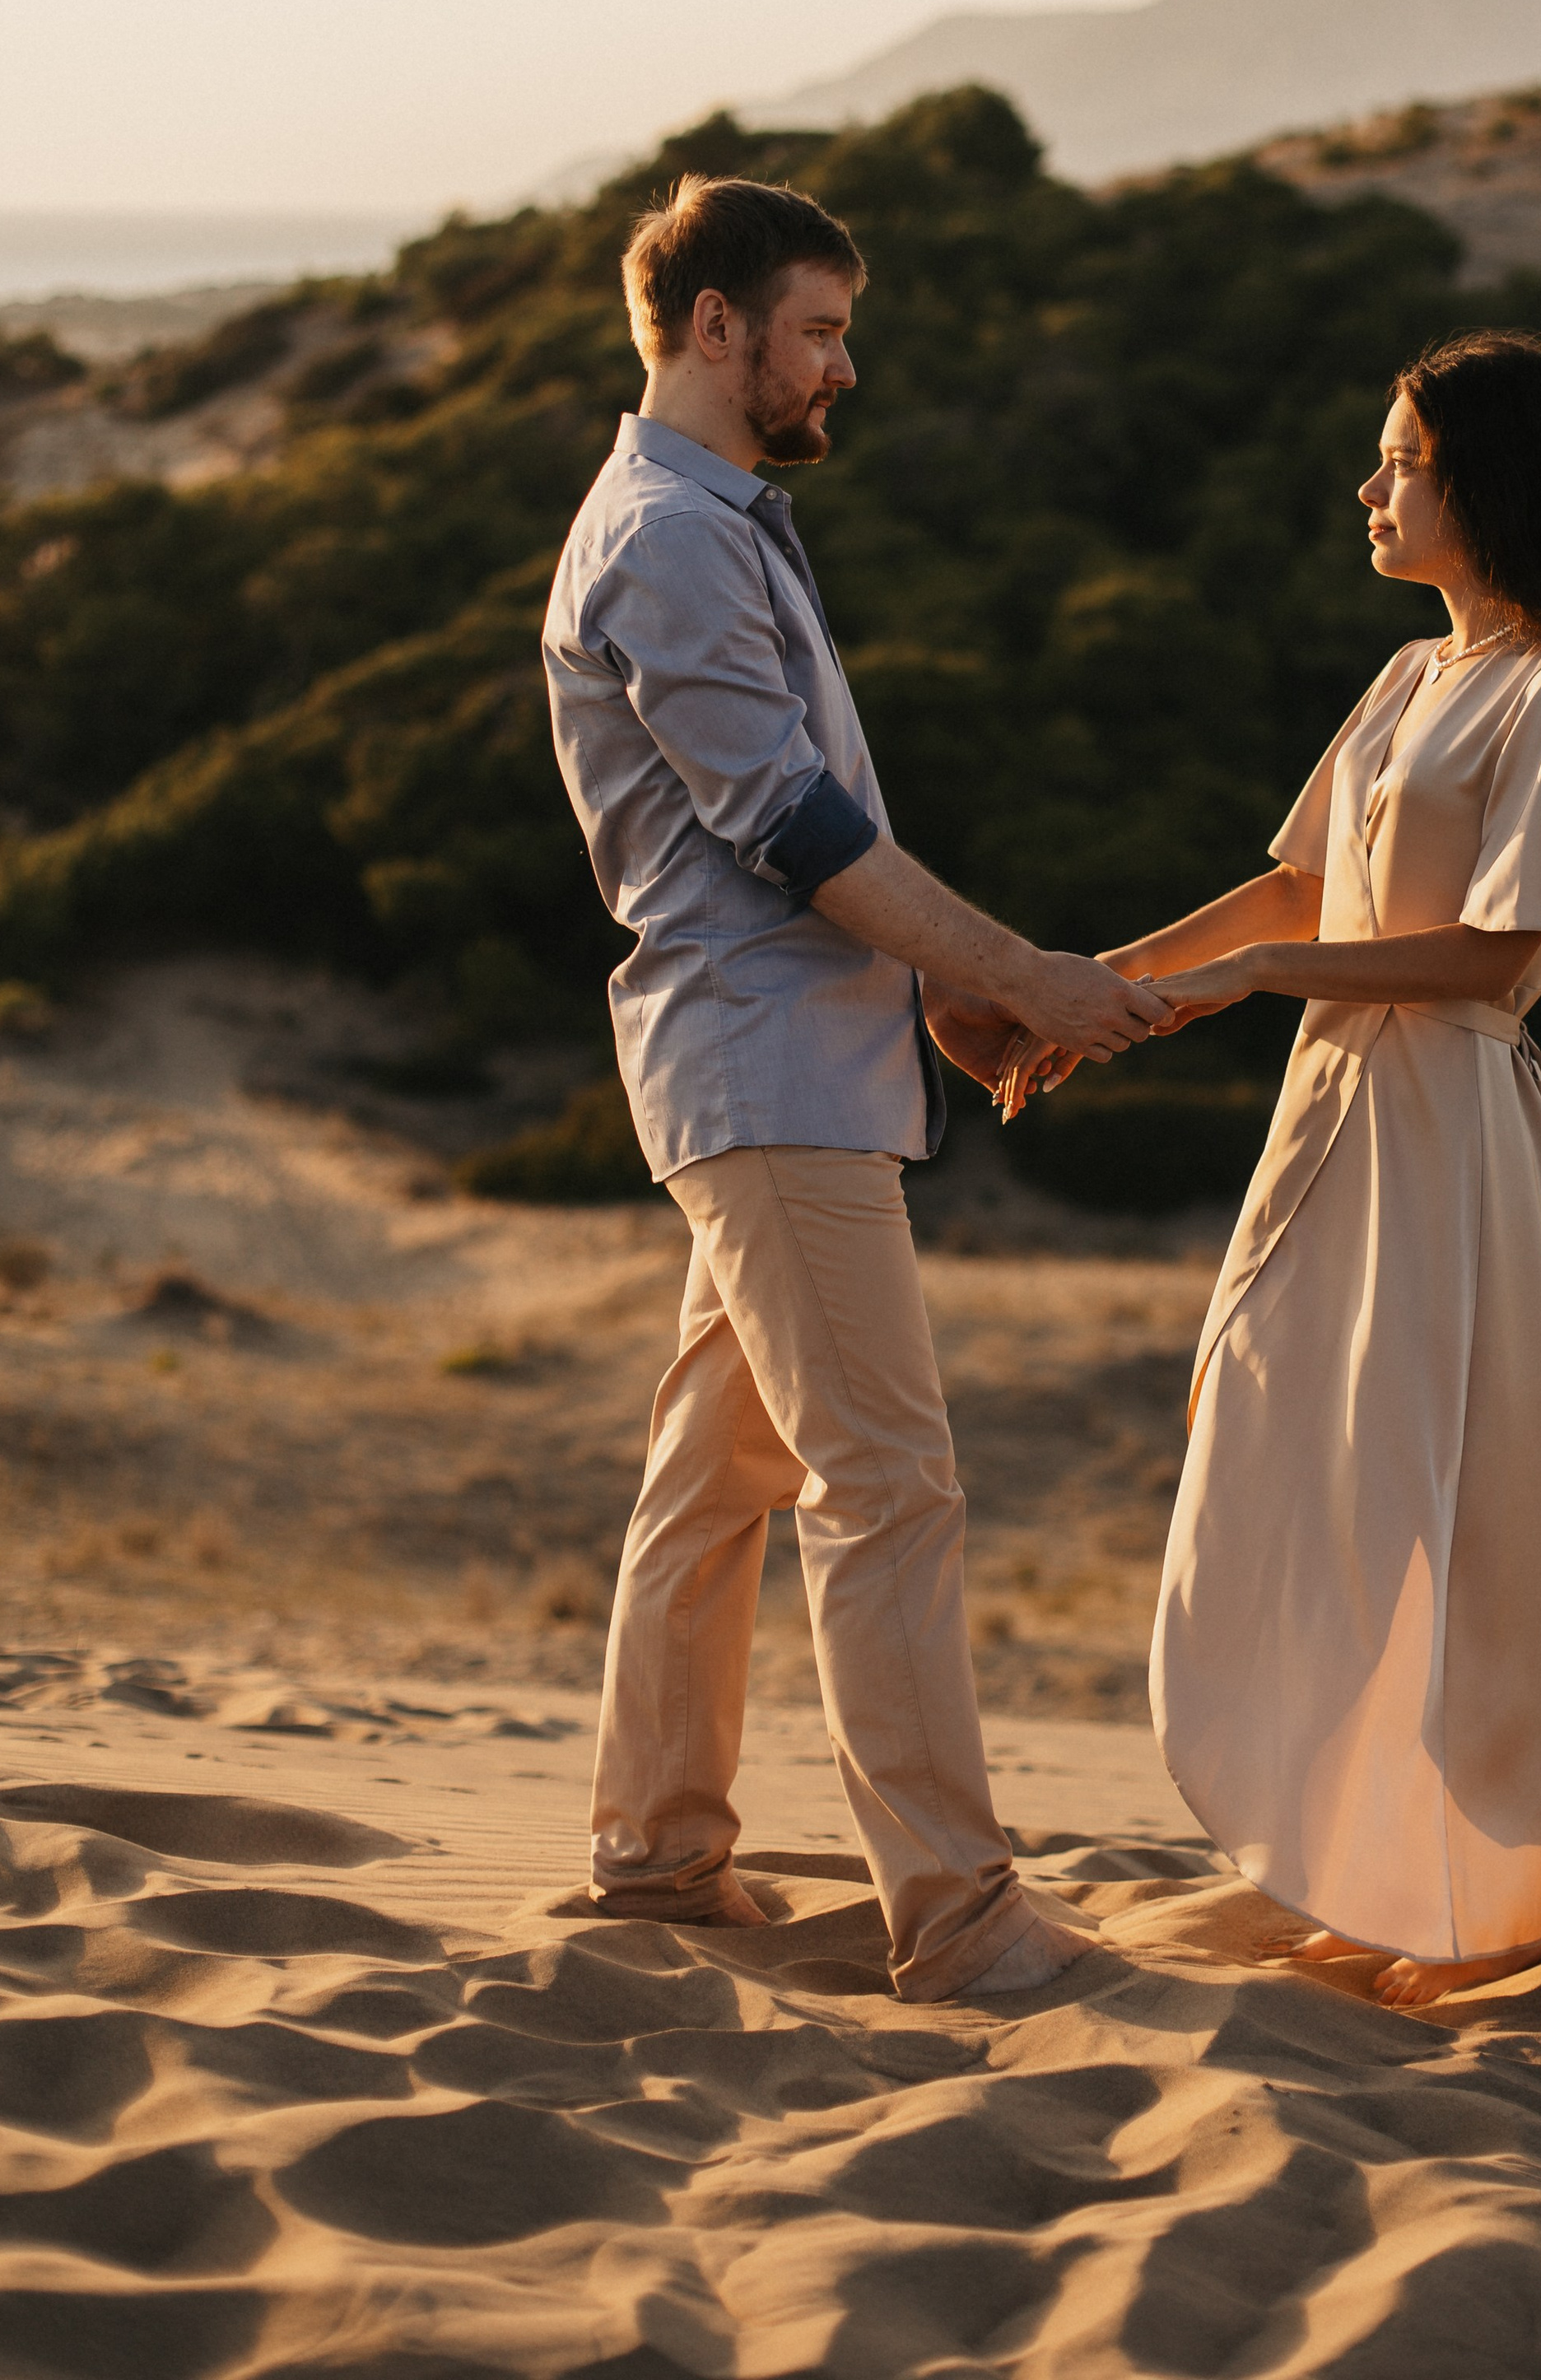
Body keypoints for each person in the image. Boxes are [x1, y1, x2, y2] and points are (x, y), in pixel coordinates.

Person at [1013, 329, 1541, 2006]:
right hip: (1333, 1111)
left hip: (1444, 1128)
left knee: (1434, 1500)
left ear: (1485, 486)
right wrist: (1088, 990)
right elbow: (1297, 891)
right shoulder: (1409, 676)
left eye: (1403, 464)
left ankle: (1467, 1888)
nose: (1369, 489)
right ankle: (1358, 1858)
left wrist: (1251, 983)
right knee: (1293, 1464)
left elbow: (1495, 958)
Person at [542, 171, 1168, 2002]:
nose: (841, 366)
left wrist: (936, 998)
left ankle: (656, 1858)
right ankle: (958, 1916)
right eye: (816, 331)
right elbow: (788, 827)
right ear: (713, 327)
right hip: (766, 1071)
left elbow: (793, 835)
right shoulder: (667, 535)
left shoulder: (707, 519)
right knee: (886, 1482)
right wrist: (1020, 975)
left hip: (788, 1059)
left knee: (716, 1474)